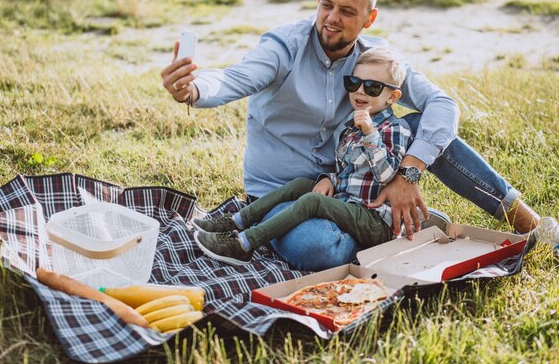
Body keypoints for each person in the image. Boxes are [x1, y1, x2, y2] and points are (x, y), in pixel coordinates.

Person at [161, 0, 559, 269]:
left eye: (347, 12)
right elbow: (235, 77)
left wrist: (410, 175)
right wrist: (195, 88)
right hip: (290, 191)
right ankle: (404, 226)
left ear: (369, 18)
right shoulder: (283, 46)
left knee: (426, 128)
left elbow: (442, 105)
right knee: (322, 251)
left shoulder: (378, 59)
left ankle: (537, 230)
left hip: (355, 183)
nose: (331, 19)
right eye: (326, 5)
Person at [192, 48, 449, 265]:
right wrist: (329, 179)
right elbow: (350, 174)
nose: (360, 92)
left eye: (372, 87)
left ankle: (245, 244)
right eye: (353, 83)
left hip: (375, 219)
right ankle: (235, 221)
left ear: (392, 96)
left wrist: (371, 134)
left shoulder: (396, 128)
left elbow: (387, 175)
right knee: (302, 185)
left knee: (313, 202)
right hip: (350, 204)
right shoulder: (350, 126)